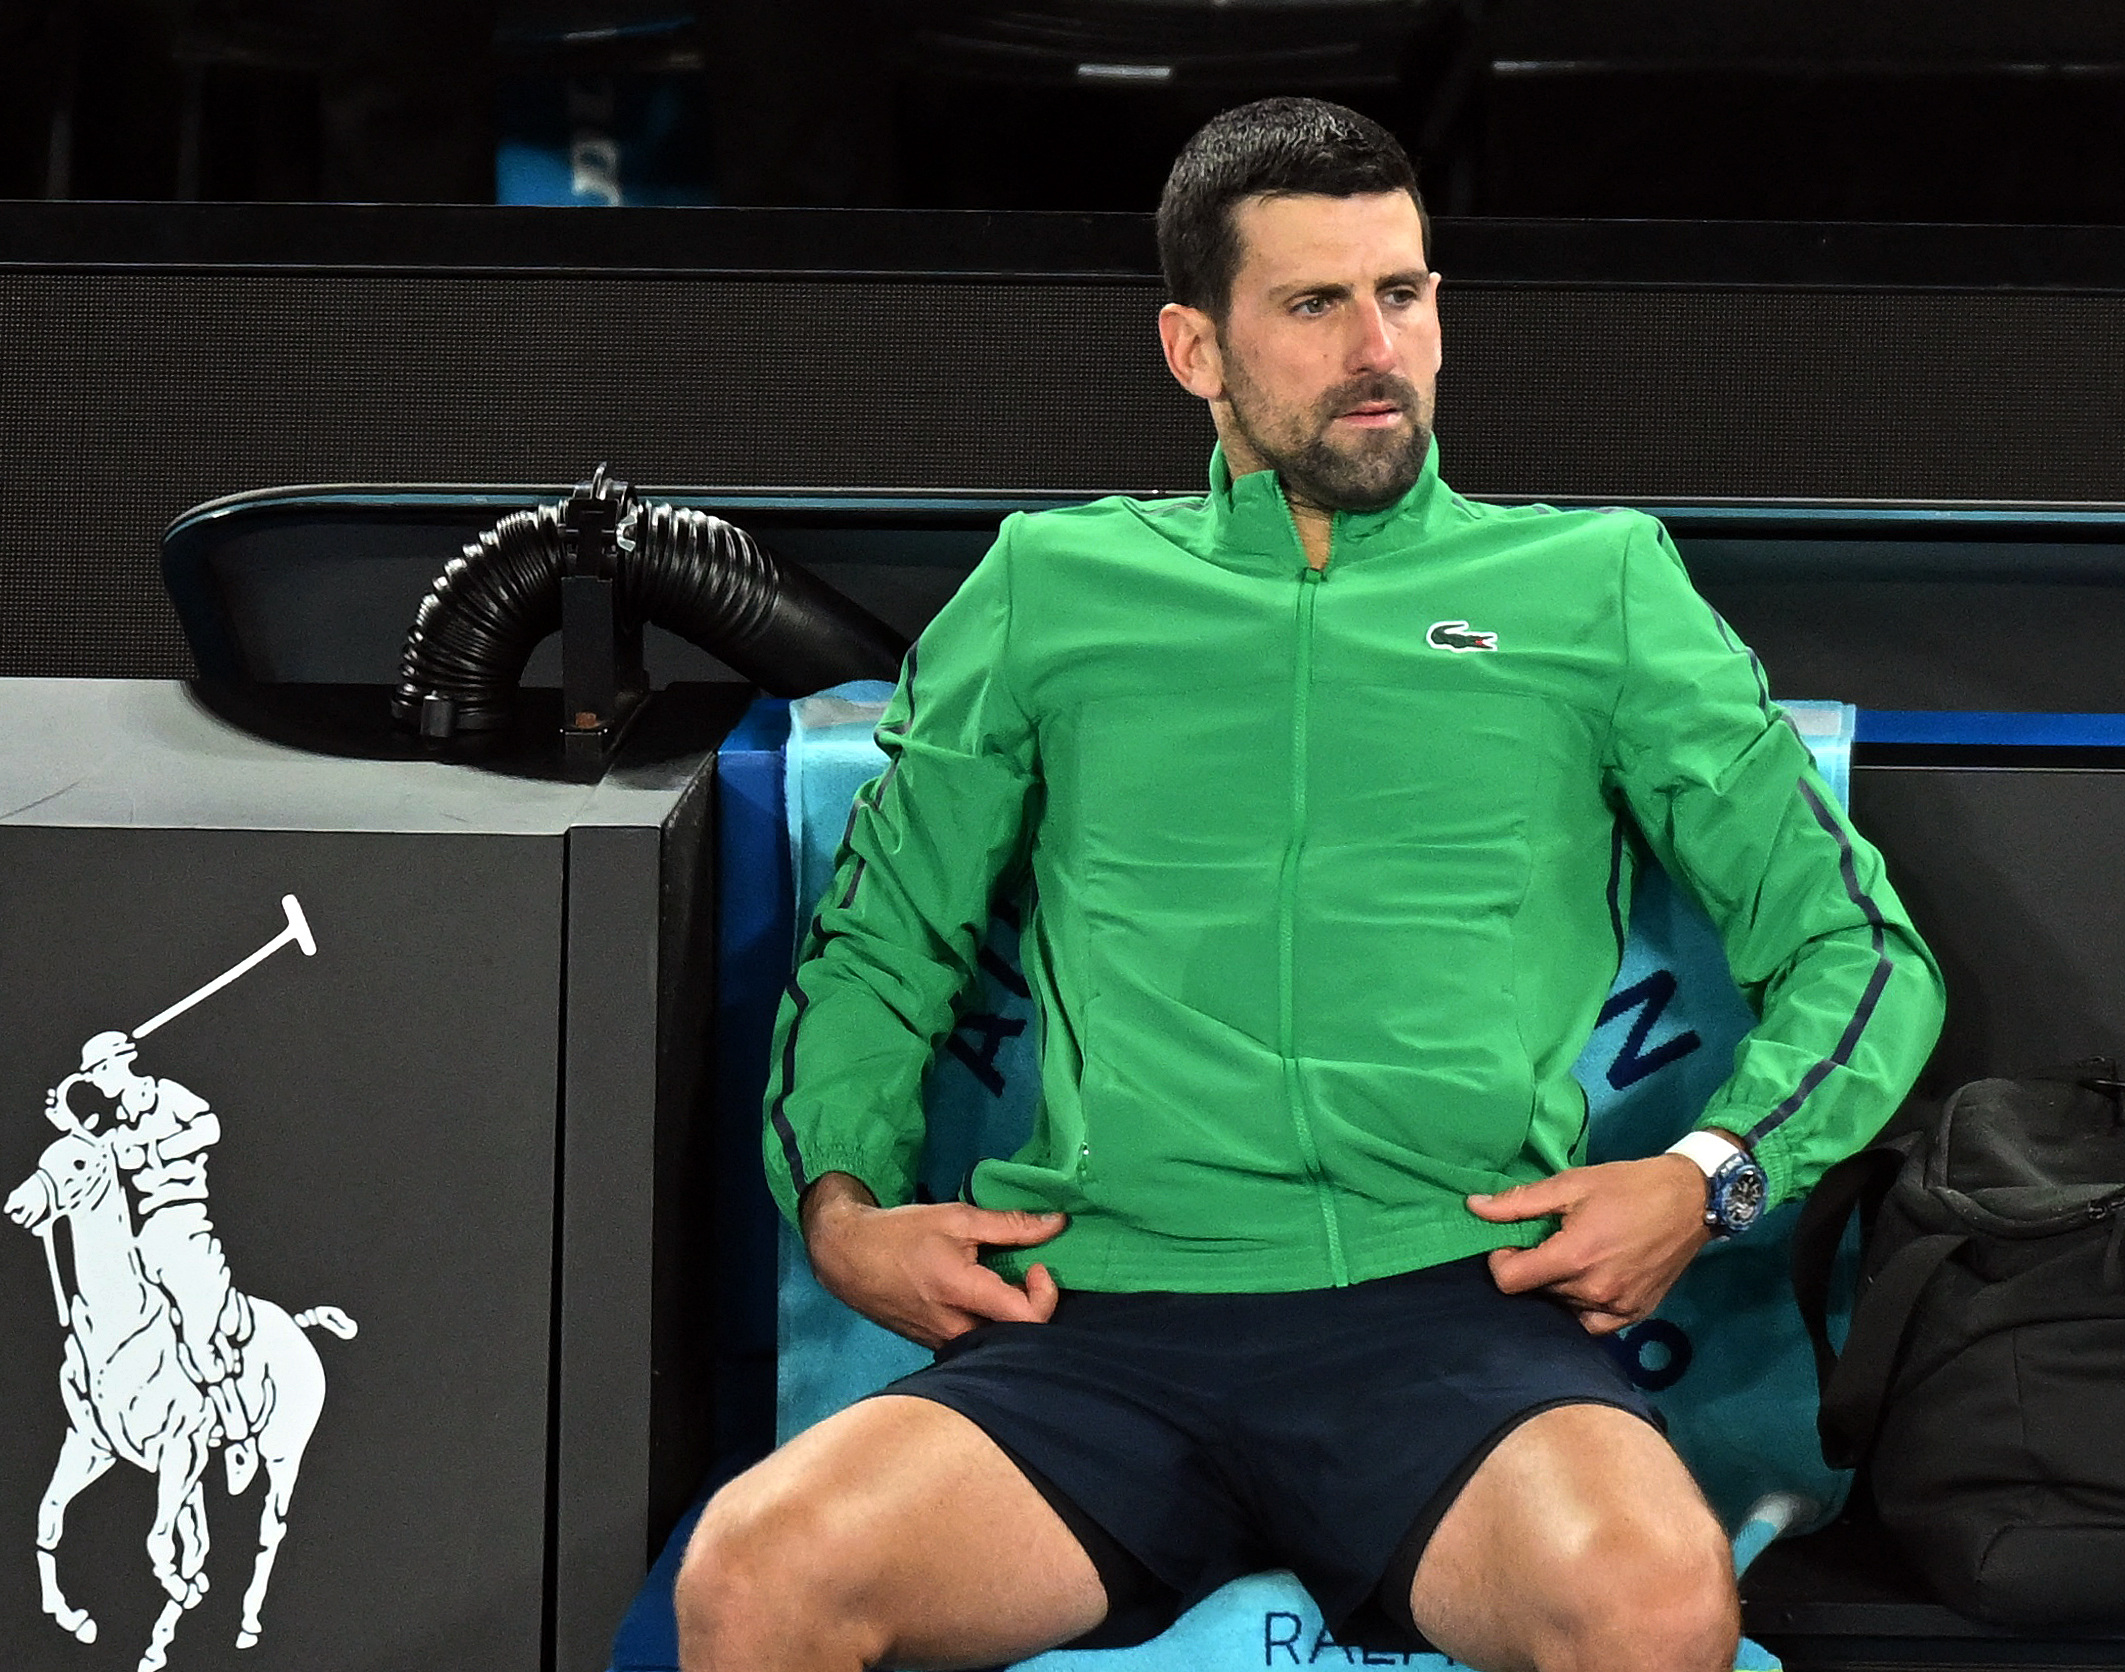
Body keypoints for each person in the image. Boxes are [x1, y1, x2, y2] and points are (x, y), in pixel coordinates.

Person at [678, 97, 1944, 1672]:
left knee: (1647, 1596)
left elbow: (1859, 953)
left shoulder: (1594, 581)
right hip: (1098, 1323)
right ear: (1192, 348)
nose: (1375, 347)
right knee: (754, 1577)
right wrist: (842, 1209)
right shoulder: (1048, 585)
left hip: (1454, 1306)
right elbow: (875, 946)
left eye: (1401, 295)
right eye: (1312, 304)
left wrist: (1709, 1174)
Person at [45, 1031, 256, 1468]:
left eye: (102, 1070)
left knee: (197, 1333)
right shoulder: (116, 1125)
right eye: (92, 1074)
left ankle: (237, 1431)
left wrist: (157, 1150)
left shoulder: (165, 1095)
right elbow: (97, 1157)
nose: (98, 1080)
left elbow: (210, 1126)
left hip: (185, 1224)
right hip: (144, 1234)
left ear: (124, 1062)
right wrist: (70, 1126)